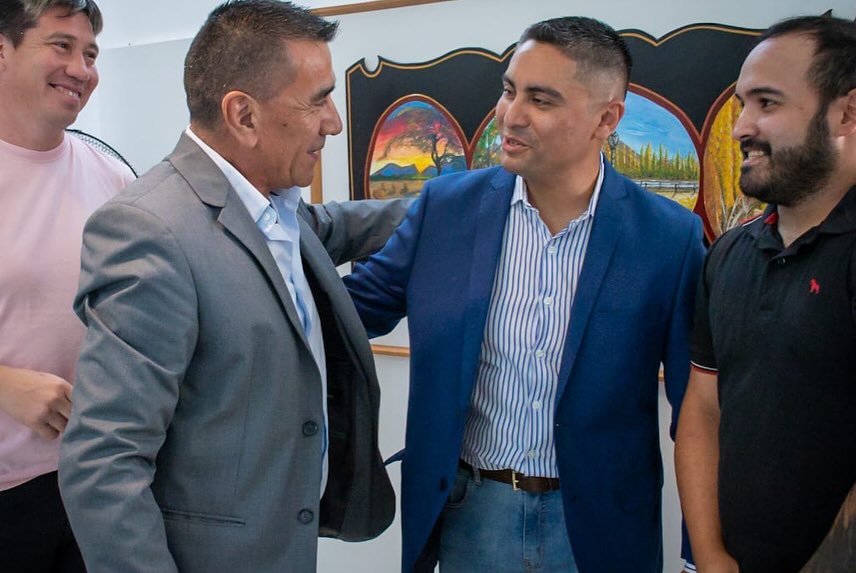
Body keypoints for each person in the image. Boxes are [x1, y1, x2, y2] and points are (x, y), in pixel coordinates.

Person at [345, 16, 705, 573]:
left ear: (606, 118)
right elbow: (350, 312)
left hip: (601, 528)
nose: (510, 114)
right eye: (509, 90)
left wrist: (701, 555)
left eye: (540, 99)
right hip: (470, 516)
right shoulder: (446, 210)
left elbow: (698, 410)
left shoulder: (667, 237)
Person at [58, 1, 403, 571]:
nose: (334, 122)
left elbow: (338, 225)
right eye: (318, 99)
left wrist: (463, 200)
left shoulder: (276, 209)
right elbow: (104, 462)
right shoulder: (151, 231)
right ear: (243, 115)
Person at [675, 15, 856, 573]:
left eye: (767, 103)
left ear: (847, 114)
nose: (740, 128)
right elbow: (703, 410)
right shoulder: (728, 253)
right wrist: (710, 556)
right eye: (742, 105)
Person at [0, 1, 134, 571]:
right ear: (2, 50)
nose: (81, 69)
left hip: (97, 479)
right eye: (61, 46)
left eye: (91, 54)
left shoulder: (115, 178)